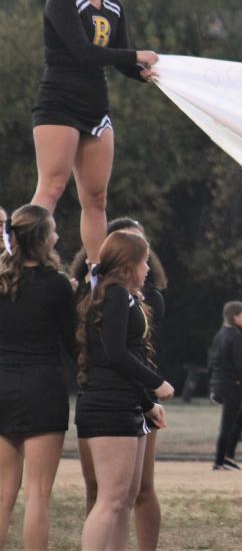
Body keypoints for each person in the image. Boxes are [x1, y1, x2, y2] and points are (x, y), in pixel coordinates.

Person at [31, 0, 160, 266]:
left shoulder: (115, 6)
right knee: (53, 187)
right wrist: (134, 57)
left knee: (97, 198)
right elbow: (84, 52)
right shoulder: (61, 0)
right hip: (59, 102)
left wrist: (142, 73)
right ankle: (24, 261)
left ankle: (98, 277)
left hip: (95, 107)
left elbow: (117, 57)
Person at [73, 217, 169, 551]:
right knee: (109, 500)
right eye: (143, 261)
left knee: (124, 498)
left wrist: (146, 403)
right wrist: (157, 384)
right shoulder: (113, 294)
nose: (147, 267)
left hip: (126, 401)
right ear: (128, 265)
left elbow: (131, 354)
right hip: (108, 404)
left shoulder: (126, 296)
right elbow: (116, 353)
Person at [0, 205, 76, 549]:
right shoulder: (57, 285)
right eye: (54, 230)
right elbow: (72, 341)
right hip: (43, 388)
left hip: (2, 387)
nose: (58, 235)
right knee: (38, 495)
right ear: (44, 240)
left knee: (2, 494)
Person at [209, 300, 242, 471]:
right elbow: (241, 366)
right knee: (229, 423)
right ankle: (221, 460)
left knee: (239, 419)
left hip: (219, 383)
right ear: (235, 317)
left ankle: (227, 457)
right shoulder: (237, 337)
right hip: (231, 385)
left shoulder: (220, 334)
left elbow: (215, 362)